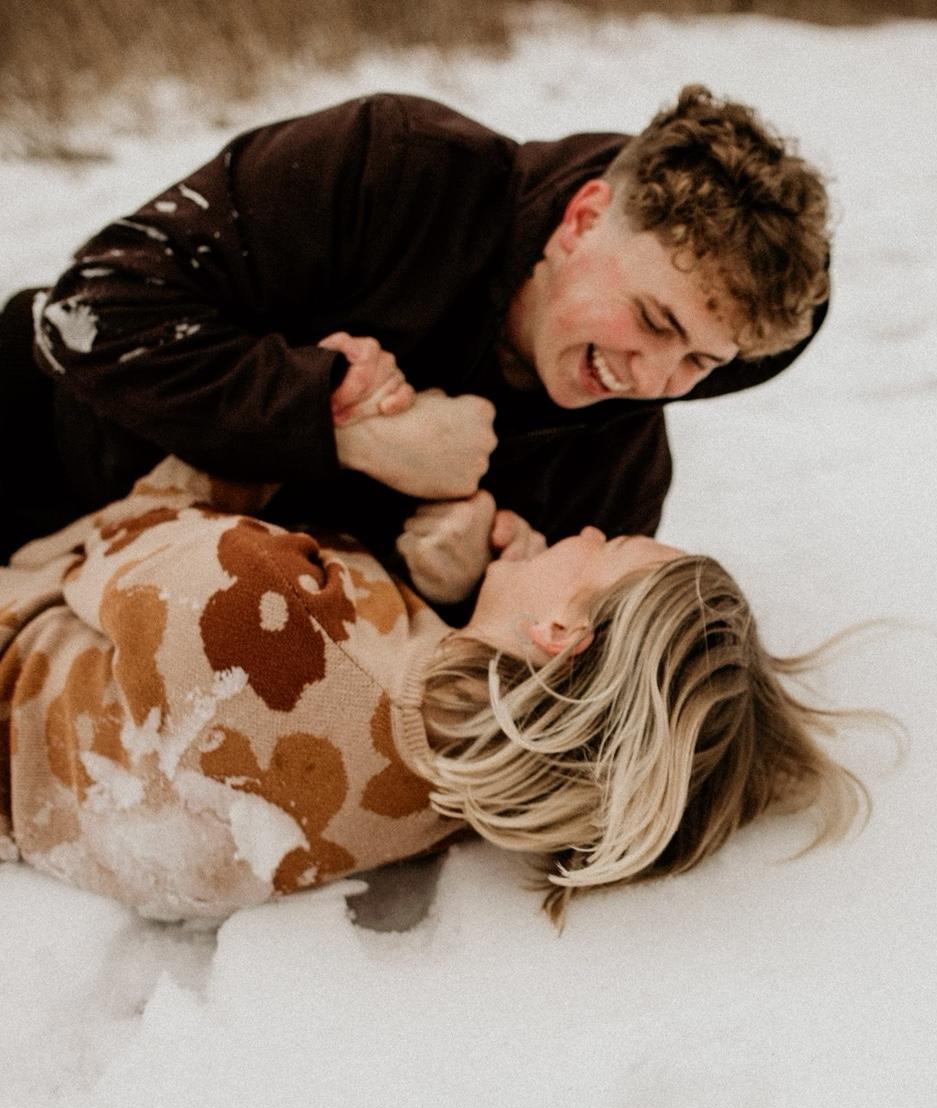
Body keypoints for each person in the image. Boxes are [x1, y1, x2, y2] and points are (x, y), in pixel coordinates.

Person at [0, 85, 832, 602]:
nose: (652, 380)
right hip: (32, 449)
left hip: (105, 618)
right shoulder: (393, 168)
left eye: (700, 363)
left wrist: (475, 588)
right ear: (583, 220)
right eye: (653, 320)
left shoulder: (618, 482)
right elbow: (88, 312)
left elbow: (522, 700)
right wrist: (341, 426)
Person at [0, 453, 865, 927]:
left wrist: (356, 437)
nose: (585, 529)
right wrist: (462, 596)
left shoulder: (271, 618)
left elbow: (121, 532)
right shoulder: (447, 797)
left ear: (559, 633)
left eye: (606, 549)